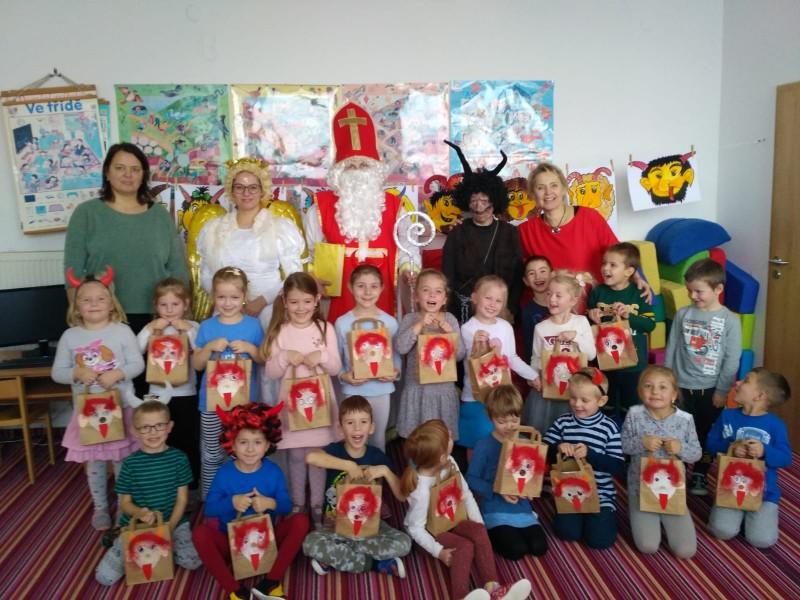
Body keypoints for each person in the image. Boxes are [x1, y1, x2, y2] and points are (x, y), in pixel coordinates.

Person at [303, 102, 419, 323]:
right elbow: (307, 252)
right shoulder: (319, 207)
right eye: (350, 166)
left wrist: (408, 269)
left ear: (375, 170)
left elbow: (408, 248)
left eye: (363, 165)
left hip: (383, 293)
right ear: (339, 172)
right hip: (338, 297)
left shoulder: (396, 206)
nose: (357, 172)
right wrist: (312, 276)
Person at [63, 142, 189, 339]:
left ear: (143, 175)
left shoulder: (160, 215)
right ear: (107, 172)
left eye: (135, 169)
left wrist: (181, 317)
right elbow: (73, 272)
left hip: (158, 318)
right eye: (120, 168)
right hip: (103, 318)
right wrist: (81, 321)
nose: (127, 175)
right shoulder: (86, 213)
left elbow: (178, 270)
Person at [51, 270, 144, 530]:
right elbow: (57, 373)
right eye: (86, 299)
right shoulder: (70, 336)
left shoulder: (122, 331)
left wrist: (118, 373)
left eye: (100, 299)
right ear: (76, 307)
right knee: (95, 462)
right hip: (88, 414)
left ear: (111, 303)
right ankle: (100, 506)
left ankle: (124, 505)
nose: (93, 304)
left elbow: (138, 364)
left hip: (120, 408)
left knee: (121, 460)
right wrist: (77, 373)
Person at [401, 420, 532, 600]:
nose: (451, 435)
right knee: (465, 547)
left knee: (478, 531)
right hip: (429, 533)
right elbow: (416, 528)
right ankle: (460, 596)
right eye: (448, 437)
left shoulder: (450, 462)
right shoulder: (421, 489)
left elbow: (466, 494)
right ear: (441, 457)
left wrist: (478, 525)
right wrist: (439, 552)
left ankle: (493, 588)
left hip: (452, 519)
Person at [192, 403, 311, 600]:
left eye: (257, 442)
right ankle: (235, 590)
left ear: (267, 445)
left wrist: (270, 503)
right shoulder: (224, 473)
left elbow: (286, 506)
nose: (250, 449)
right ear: (232, 444)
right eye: (243, 442)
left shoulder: (273, 471)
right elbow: (209, 509)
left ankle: (271, 583)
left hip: (267, 542)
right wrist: (231, 502)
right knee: (200, 533)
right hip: (232, 544)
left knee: (301, 521)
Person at [263, 272, 342, 525]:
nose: (301, 308)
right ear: (285, 302)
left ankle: (317, 505)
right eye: (294, 302)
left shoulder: (325, 329)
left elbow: (336, 368)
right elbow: (271, 372)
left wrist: (322, 356)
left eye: (307, 301)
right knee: (296, 456)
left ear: (317, 300)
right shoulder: (281, 331)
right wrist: (284, 356)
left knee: (317, 457)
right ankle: (298, 503)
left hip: (320, 407)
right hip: (291, 409)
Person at [302, 396, 411, 576]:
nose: (357, 428)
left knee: (404, 543)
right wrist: (348, 466)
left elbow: (401, 495)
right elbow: (311, 457)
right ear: (340, 429)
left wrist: (385, 471)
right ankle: (374, 564)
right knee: (310, 543)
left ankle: (339, 556)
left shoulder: (377, 456)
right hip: (335, 523)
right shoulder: (335, 450)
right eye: (350, 423)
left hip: (371, 525)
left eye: (363, 422)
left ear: (372, 427)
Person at [95, 401, 201, 585]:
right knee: (104, 578)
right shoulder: (130, 464)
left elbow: (182, 499)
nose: (153, 432)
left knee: (192, 562)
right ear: (134, 431)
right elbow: (125, 503)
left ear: (169, 427)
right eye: (145, 427)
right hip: (136, 526)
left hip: (173, 522)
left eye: (159, 425)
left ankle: (159, 549)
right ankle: (120, 538)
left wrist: (168, 528)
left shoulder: (179, 459)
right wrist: (139, 513)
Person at [196, 157, 306, 328]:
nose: (246, 193)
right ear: (231, 191)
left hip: (269, 309)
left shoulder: (280, 228)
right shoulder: (213, 229)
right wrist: (229, 301)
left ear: (262, 190)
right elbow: (206, 275)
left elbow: (294, 275)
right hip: (226, 309)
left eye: (253, 187)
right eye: (239, 187)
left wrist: (262, 301)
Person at [665, 258, 742, 495]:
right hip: (681, 386)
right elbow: (672, 348)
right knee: (678, 429)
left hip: (711, 390)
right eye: (690, 291)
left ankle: (700, 472)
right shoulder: (683, 314)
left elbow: (732, 359)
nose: (693, 296)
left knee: (707, 433)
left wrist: (722, 390)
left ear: (718, 289)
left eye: (699, 291)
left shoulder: (730, 320)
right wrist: (668, 382)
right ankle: (676, 468)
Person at [518, 162, 650, 299]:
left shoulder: (589, 217)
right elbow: (520, 274)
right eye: (540, 188)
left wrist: (637, 277)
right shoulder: (525, 231)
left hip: (597, 302)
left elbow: (620, 255)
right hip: (554, 306)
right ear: (532, 194)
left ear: (563, 188)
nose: (548, 192)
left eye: (554, 185)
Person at [192, 267, 264, 498]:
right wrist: (208, 348)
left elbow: (263, 359)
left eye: (234, 297)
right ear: (213, 296)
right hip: (211, 405)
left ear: (244, 296)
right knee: (212, 453)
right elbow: (197, 365)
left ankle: (241, 496)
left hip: (243, 406)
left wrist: (250, 348)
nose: (227, 303)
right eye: (221, 297)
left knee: (241, 452)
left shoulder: (253, 326)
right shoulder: (207, 327)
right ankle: (210, 497)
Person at [706, 368, 792, 549]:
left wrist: (764, 451)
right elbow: (710, 444)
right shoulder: (727, 415)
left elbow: (785, 458)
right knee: (721, 530)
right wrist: (730, 447)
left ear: (759, 396)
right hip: (730, 488)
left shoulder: (776, 425)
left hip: (764, 494)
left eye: (745, 381)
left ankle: (752, 518)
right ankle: (740, 517)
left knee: (762, 540)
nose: (737, 383)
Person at [621, 366, 701, 558]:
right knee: (647, 545)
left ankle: (666, 518)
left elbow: (696, 454)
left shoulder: (685, 419)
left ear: (674, 394)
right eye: (648, 386)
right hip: (640, 489)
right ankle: (644, 516)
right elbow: (622, 445)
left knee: (686, 550)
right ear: (640, 391)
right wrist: (642, 443)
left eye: (662, 387)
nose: (655, 391)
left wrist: (680, 448)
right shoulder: (634, 414)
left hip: (673, 491)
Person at [440, 141, 523, 324]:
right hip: (463, 311)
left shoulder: (510, 233)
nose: (478, 206)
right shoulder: (457, 233)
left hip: (498, 311)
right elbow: (447, 276)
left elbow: (518, 277)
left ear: (495, 201)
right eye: (473, 200)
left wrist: (511, 309)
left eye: (484, 201)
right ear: (466, 202)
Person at [543, 369, 624, 549]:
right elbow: (543, 450)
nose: (577, 404)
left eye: (584, 400)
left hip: (600, 493)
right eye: (573, 398)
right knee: (566, 533)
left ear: (601, 401)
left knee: (600, 541)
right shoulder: (562, 422)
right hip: (568, 491)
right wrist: (558, 447)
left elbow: (617, 465)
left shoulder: (609, 427)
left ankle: (602, 516)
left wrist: (591, 455)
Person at [466, 385, 548, 560]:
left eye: (515, 420)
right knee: (516, 550)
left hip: (522, 509)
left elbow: (532, 475)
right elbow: (471, 479)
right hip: (495, 509)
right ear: (490, 417)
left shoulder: (526, 443)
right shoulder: (484, 445)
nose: (509, 426)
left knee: (539, 547)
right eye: (502, 422)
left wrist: (531, 490)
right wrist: (496, 489)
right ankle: (490, 531)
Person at [459, 276, 537, 456]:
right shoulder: (467, 329)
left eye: (498, 300)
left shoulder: (505, 327)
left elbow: (512, 358)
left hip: (501, 395)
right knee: (477, 442)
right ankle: (475, 472)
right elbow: (469, 363)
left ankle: (498, 472)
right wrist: (478, 346)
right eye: (488, 298)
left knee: (501, 441)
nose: (493, 304)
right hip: (475, 397)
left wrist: (533, 375)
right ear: (475, 298)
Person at [137, 277, 200, 492]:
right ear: (156, 306)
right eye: (163, 305)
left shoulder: (193, 326)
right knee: (158, 438)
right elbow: (136, 350)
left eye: (175, 304)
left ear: (186, 304)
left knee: (187, 439)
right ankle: (163, 484)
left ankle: (190, 486)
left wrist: (187, 330)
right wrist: (150, 329)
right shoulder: (152, 328)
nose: (170, 309)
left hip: (186, 393)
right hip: (156, 394)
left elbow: (201, 351)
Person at [335, 265, 401, 451]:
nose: (367, 292)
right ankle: (352, 471)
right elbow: (336, 359)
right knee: (352, 439)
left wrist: (395, 372)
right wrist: (344, 376)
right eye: (361, 286)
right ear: (350, 287)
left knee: (378, 439)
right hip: (353, 390)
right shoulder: (342, 323)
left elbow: (396, 356)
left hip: (381, 390)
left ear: (382, 288)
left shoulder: (390, 322)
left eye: (373, 286)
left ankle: (377, 470)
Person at [588, 243, 656, 422]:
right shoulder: (598, 292)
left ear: (629, 271)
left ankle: (630, 435)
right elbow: (589, 326)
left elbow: (650, 325)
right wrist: (591, 316)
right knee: (606, 403)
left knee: (631, 406)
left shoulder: (640, 293)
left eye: (613, 265)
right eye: (604, 263)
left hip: (634, 365)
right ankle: (606, 432)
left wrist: (629, 316)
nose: (605, 268)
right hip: (604, 362)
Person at [395, 269, 465, 440]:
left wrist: (450, 335)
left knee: (442, 439)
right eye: (426, 290)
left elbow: (460, 355)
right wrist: (419, 325)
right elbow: (401, 347)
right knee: (416, 439)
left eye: (438, 291)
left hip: (443, 391)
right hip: (417, 389)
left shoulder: (450, 319)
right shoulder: (410, 319)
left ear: (444, 299)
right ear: (416, 297)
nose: (432, 295)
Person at [524, 272, 597, 432]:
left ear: (573, 300)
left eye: (558, 295)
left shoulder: (580, 322)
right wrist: (534, 376)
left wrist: (575, 337)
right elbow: (536, 358)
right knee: (544, 430)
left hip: (574, 391)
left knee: (569, 431)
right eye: (549, 294)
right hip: (548, 388)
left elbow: (591, 354)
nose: (552, 299)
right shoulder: (541, 328)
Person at [519, 255, 552, 364]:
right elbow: (529, 347)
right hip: (542, 365)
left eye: (542, 271)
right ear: (526, 281)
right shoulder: (527, 311)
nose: (538, 276)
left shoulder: (563, 303)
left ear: (552, 275)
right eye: (532, 273)